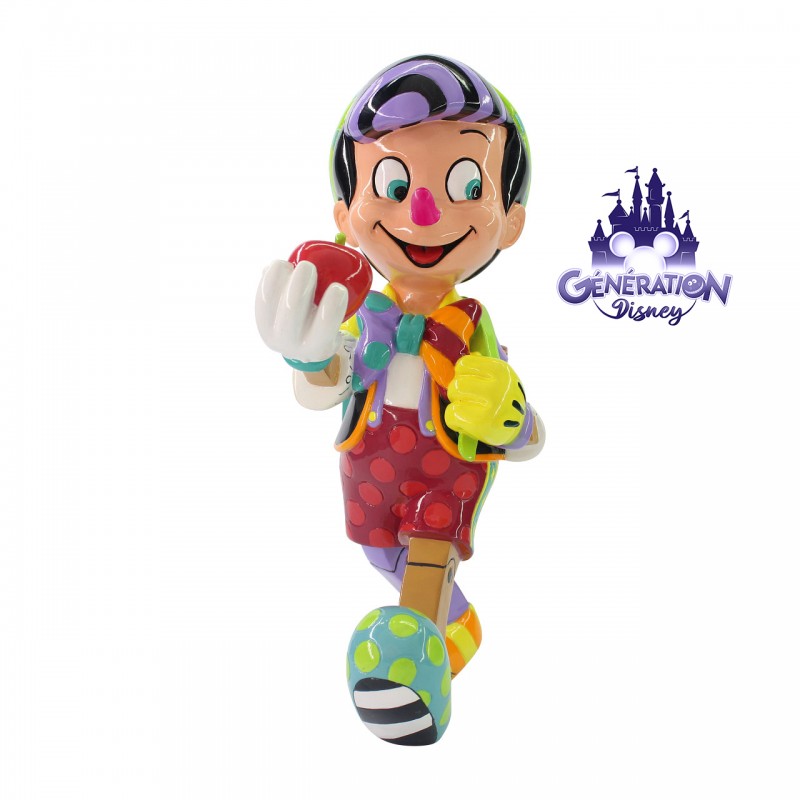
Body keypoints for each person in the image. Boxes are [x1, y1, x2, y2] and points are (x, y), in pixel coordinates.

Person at [256, 55, 545, 745]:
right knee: (385, 559)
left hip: (441, 486)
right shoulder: (362, 315)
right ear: (345, 215)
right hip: (371, 482)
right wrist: (308, 357)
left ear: (510, 221)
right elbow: (327, 383)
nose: (423, 212)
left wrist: (512, 419)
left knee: (423, 572)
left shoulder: (470, 326)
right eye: (392, 185)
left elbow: (527, 432)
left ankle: (409, 676)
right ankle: (453, 640)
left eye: (465, 185)